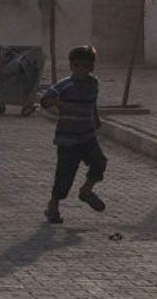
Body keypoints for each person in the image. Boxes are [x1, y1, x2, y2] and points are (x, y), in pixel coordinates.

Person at [40, 45, 107, 224]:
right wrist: (59, 104)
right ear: (71, 66)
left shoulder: (94, 83)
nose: (80, 70)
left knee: (99, 162)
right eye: (76, 66)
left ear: (91, 67)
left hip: (87, 136)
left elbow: (93, 103)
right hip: (67, 139)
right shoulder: (64, 85)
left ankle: (86, 191)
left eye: (85, 66)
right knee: (64, 175)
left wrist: (96, 118)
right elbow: (45, 100)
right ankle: (53, 206)